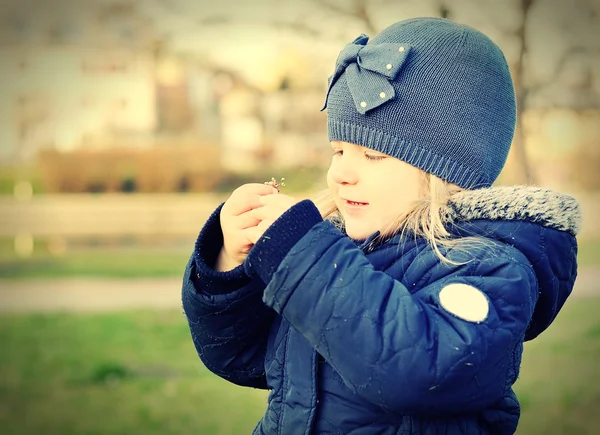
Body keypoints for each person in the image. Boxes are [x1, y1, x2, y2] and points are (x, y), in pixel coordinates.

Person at [182, 17, 581, 434]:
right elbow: (239, 355)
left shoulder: (488, 267)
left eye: (373, 156)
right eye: (338, 150)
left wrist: (302, 252)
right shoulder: (338, 253)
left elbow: (421, 371)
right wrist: (230, 263)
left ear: (445, 171)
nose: (340, 174)